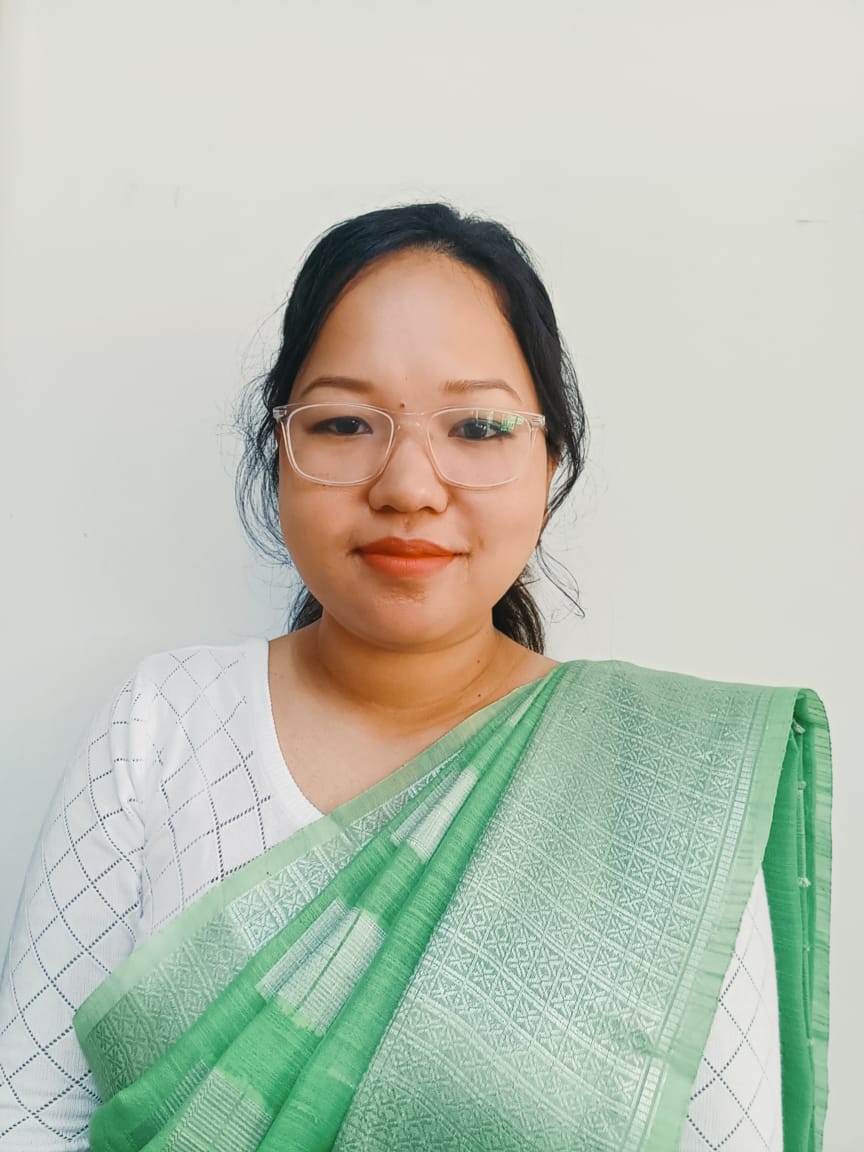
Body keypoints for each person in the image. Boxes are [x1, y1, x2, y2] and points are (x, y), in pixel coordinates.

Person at [0, 203, 830, 1151]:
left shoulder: (672, 781)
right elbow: (31, 1116)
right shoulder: (164, 727)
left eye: (477, 426)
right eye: (345, 422)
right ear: (279, 453)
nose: (408, 486)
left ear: (549, 463)